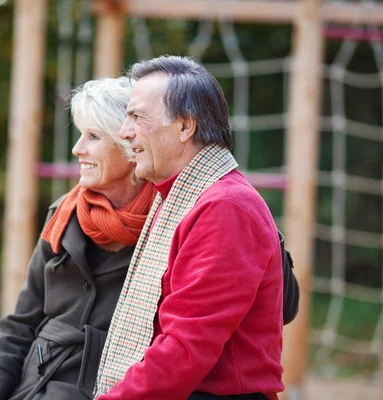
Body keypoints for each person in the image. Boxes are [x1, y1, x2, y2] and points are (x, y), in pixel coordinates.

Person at [94, 56, 286, 400]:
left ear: (185, 127)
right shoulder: (177, 195)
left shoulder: (225, 207)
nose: (124, 131)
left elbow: (185, 350)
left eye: (137, 116)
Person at [0, 77, 157, 400]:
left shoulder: (173, 221)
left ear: (130, 148)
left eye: (93, 137)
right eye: (80, 134)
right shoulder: (64, 214)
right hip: (32, 387)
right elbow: (20, 324)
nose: (77, 149)